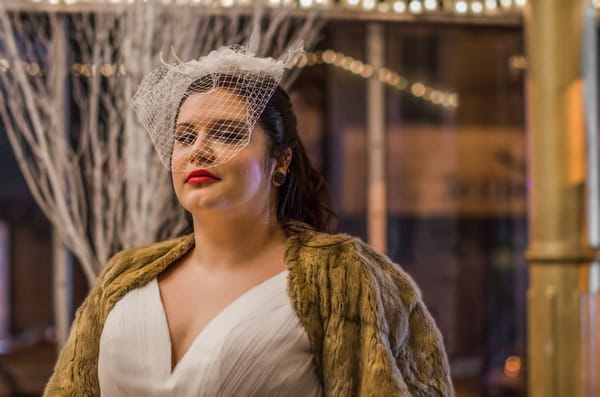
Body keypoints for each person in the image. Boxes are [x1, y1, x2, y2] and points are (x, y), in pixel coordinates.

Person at [44, 45, 454, 396]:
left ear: (281, 161)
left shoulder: (341, 275)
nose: (198, 151)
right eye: (185, 137)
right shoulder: (125, 276)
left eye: (226, 133)